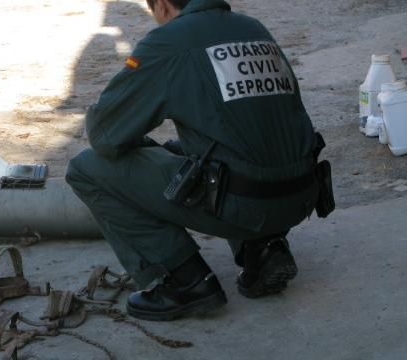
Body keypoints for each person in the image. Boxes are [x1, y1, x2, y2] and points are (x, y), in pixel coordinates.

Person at [65, 0, 323, 321]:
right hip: (300, 196)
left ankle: (185, 281)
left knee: (86, 169)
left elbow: (105, 135)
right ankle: (264, 249)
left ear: (160, 5)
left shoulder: (169, 40)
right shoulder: (252, 28)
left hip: (244, 202)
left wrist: (140, 143)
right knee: (212, 147)